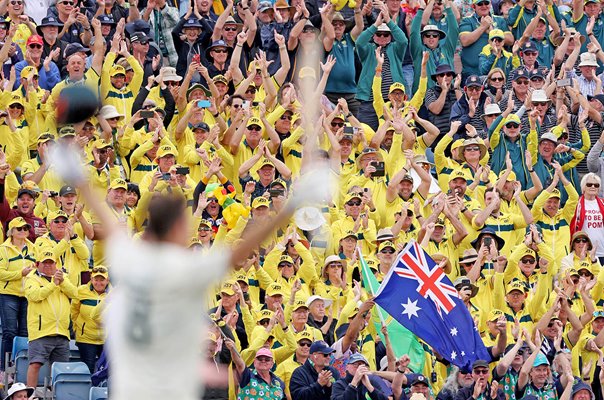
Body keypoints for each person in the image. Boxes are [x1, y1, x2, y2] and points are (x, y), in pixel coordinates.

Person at [24, 249, 78, 388]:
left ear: (56, 264)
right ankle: (31, 395)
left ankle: (57, 395)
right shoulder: (31, 278)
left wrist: (62, 282)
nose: (48, 266)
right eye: (45, 263)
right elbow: (35, 295)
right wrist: (54, 284)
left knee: (61, 370)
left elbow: (74, 293)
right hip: (41, 331)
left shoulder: (63, 277)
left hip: (62, 331)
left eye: (51, 263)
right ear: (38, 264)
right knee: (35, 364)